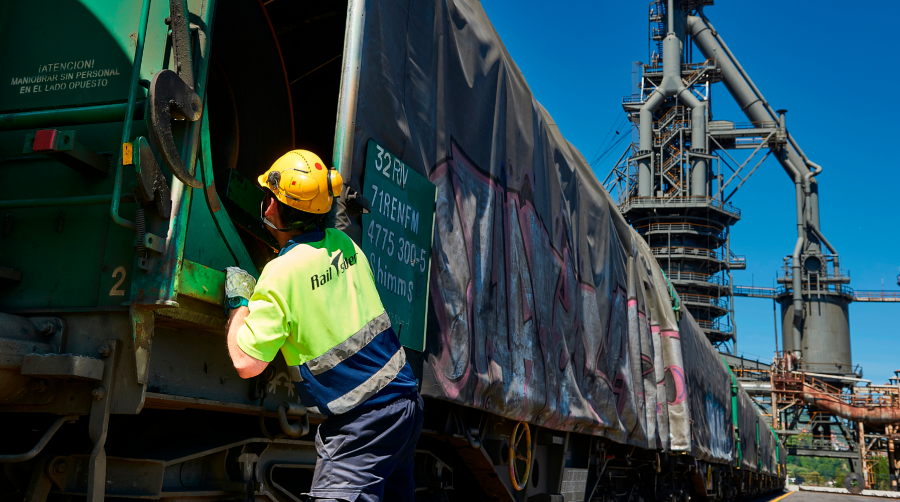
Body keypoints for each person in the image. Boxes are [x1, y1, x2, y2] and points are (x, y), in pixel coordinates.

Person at [223, 149, 423, 502]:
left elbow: (246, 363)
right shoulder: (345, 245)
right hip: (404, 407)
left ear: (271, 207)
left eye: (268, 196)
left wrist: (239, 304)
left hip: (363, 422)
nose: (264, 204)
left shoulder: (280, 275)